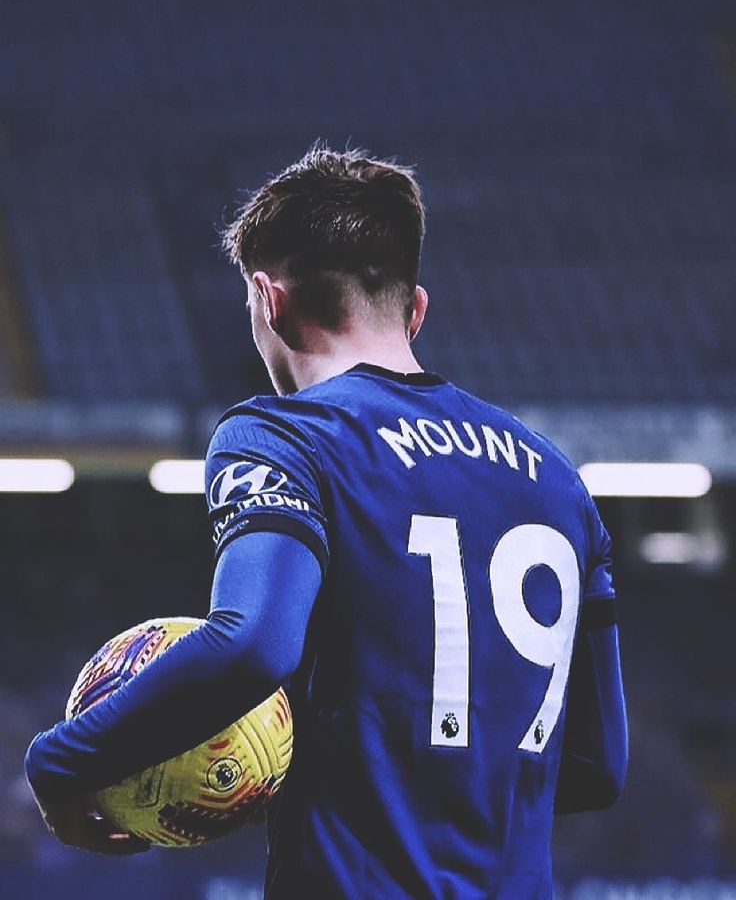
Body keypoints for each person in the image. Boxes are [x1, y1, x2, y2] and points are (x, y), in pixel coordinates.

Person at [25, 145, 628, 897]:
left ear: (266, 299)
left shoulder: (285, 436)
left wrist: (59, 763)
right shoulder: (558, 480)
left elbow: (252, 645)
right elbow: (599, 766)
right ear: (415, 309)